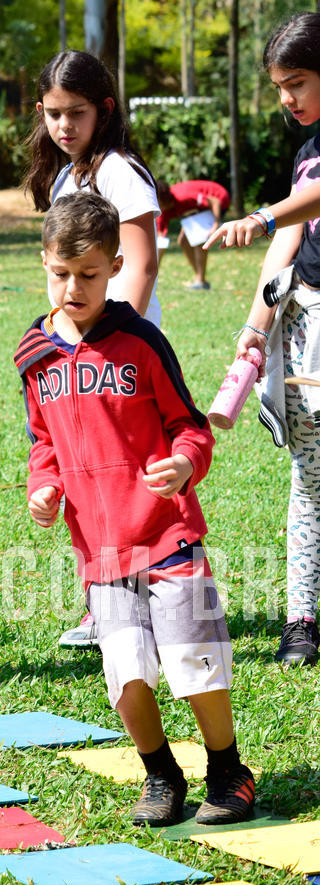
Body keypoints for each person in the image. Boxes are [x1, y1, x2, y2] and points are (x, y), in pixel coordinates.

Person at [15, 191, 255, 826]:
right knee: (126, 673)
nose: (74, 287)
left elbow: (190, 426)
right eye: (61, 273)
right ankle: (161, 774)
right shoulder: (33, 355)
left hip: (168, 534)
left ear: (115, 266)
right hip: (101, 550)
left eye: (89, 274)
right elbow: (43, 440)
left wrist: (184, 465)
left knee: (193, 659)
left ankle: (228, 770)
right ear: (43, 261)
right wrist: (45, 486)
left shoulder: (143, 341)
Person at [23, 49, 161, 650]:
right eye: (54, 114)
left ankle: (150, 599)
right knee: (83, 477)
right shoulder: (67, 176)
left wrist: (109, 340)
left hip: (121, 359)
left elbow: (144, 263)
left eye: (76, 113)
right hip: (75, 356)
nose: (64, 126)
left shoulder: (120, 172)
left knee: (131, 481)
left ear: (104, 110)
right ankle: (102, 603)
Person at [204, 12, 320, 669]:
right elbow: (290, 239)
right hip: (307, 326)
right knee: (309, 480)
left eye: (297, 82)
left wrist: (264, 211)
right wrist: (255, 327)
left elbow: (308, 203)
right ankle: (300, 622)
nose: (286, 98)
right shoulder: (306, 149)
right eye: (279, 85)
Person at [156, 180, 230, 289]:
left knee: (198, 238)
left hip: (220, 198)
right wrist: (153, 273)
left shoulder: (184, 197)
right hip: (199, 209)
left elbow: (215, 202)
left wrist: (215, 225)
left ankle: (201, 281)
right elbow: (160, 241)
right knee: (183, 241)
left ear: (164, 200)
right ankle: (200, 278)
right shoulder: (163, 211)